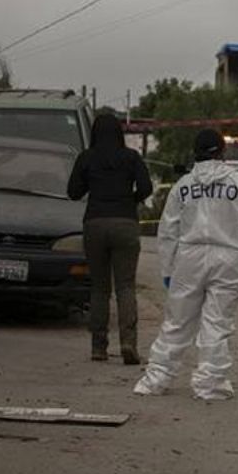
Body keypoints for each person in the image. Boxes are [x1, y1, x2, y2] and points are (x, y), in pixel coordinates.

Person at [134, 129, 238, 399]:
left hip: (189, 256)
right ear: (222, 151)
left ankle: (156, 380)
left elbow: (168, 231)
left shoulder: (183, 186)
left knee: (177, 321)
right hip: (229, 255)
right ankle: (211, 383)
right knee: (217, 323)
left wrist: (168, 269)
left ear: (195, 153)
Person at [68, 113, 154, 364]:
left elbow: (73, 192)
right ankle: (128, 342)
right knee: (125, 286)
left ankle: (98, 346)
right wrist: (130, 200)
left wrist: (93, 185)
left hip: (95, 223)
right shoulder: (131, 157)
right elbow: (146, 187)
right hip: (125, 223)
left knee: (99, 288)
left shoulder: (87, 158)